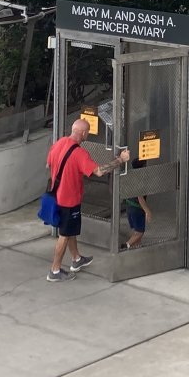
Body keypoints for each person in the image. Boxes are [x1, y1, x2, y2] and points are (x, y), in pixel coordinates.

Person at [45, 118, 129, 282]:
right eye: (88, 132)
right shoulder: (79, 153)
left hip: (57, 196)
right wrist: (120, 160)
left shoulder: (59, 143)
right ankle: (54, 270)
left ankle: (76, 259)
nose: (88, 134)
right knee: (65, 234)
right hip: (69, 200)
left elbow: (48, 164)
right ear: (83, 133)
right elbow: (98, 171)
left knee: (69, 231)